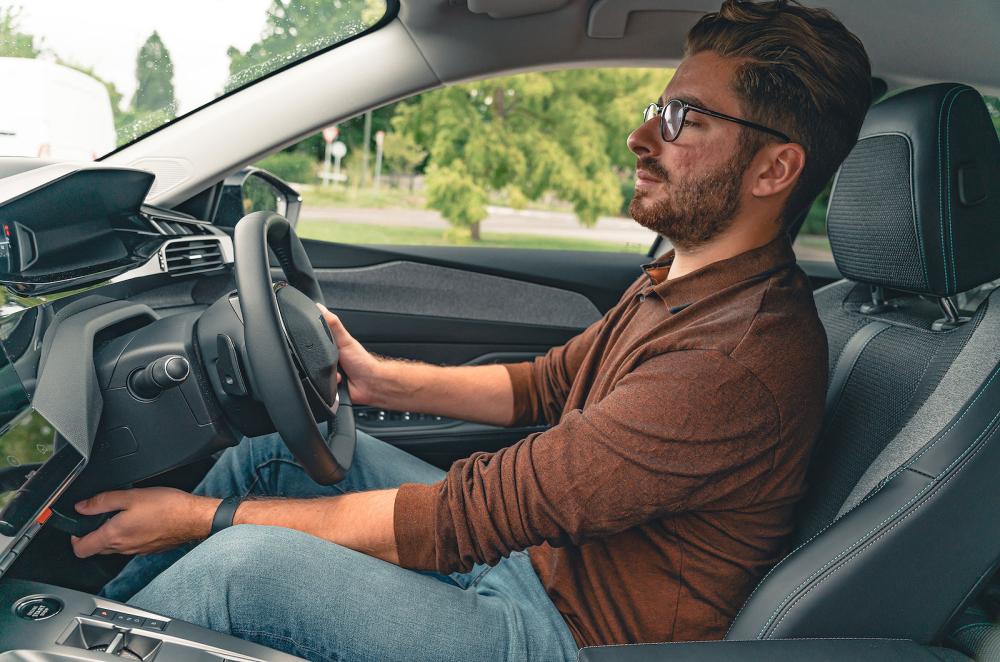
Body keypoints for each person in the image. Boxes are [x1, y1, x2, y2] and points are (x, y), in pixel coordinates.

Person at [71, 1, 872, 659]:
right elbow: (545, 385)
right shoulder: (691, 283)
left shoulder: (738, 358)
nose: (641, 135)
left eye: (683, 118)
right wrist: (377, 376)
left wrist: (200, 520)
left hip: (569, 638)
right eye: (657, 108)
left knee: (242, 568)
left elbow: (469, 518)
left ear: (774, 170)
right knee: (271, 459)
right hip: (542, 567)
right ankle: (97, 619)